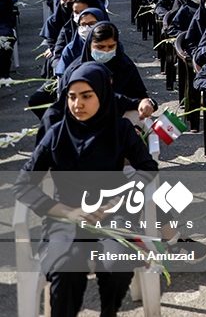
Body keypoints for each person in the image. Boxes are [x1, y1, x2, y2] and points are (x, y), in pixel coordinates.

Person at [14, 62, 159, 317]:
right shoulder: (57, 133)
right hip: (65, 219)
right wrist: (66, 211)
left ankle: (108, 311)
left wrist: (115, 201)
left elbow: (148, 168)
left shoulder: (120, 129)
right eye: (71, 97)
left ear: (102, 96)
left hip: (112, 215)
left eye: (86, 96)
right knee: (67, 267)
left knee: (117, 263)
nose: (77, 104)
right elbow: (24, 183)